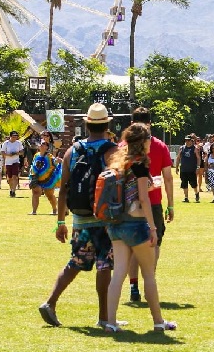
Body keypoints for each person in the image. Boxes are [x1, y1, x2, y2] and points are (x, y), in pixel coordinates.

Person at [39, 103, 120, 329]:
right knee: (104, 265)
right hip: (105, 219)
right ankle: (104, 317)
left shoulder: (72, 151)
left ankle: (50, 302)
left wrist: (61, 222)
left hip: (80, 218)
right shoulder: (112, 151)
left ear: (86, 125)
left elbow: (63, 188)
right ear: (107, 124)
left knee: (76, 262)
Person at [98, 123, 174, 333]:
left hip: (115, 222)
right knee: (149, 274)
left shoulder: (118, 161)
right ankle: (158, 321)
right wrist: (152, 227)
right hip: (135, 222)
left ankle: (110, 323)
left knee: (119, 273)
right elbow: (143, 198)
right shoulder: (140, 163)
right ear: (143, 141)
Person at [124, 109, 175, 306]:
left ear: (131, 123)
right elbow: (168, 178)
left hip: (128, 203)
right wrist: (170, 205)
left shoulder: (123, 145)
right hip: (152, 201)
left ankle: (134, 285)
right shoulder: (160, 146)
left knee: (131, 246)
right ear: (150, 124)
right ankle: (149, 282)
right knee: (154, 243)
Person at [27, 135, 62, 216]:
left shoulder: (49, 156)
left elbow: (55, 163)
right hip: (36, 178)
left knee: (49, 195)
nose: (42, 145)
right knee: (35, 193)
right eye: (41, 144)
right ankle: (34, 211)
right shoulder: (36, 155)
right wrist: (32, 175)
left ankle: (54, 209)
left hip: (48, 179)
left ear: (47, 147)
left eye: (44, 144)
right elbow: (33, 166)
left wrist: (58, 161)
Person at [176, 135, 202, 203]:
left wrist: (198, 167)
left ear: (191, 141)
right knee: (184, 184)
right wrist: (177, 167)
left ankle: (196, 193)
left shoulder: (194, 148)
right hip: (183, 169)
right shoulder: (182, 148)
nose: (187, 141)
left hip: (191, 169)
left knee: (193, 184)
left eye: (188, 140)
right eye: (186, 140)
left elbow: (198, 158)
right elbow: (178, 157)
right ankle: (186, 197)